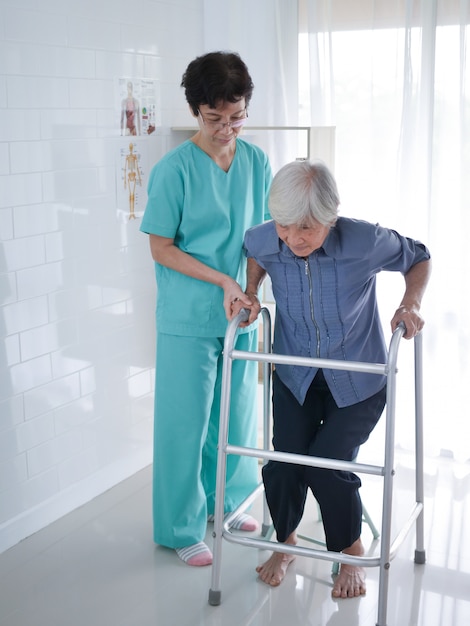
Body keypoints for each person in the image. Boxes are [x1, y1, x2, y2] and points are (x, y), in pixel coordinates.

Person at [232, 160, 431, 597]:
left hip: (357, 382)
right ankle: (286, 545)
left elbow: (418, 256)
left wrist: (410, 303)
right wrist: (250, 293)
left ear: (330, 217)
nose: (294, 238)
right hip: (295, 376)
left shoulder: (364, 240)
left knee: (327, 466)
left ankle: (350, 549)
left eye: (306, 228)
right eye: (285, 226)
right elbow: (256, 253)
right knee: (284, 462)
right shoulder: (266, 238)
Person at [140, 52, 272, 567]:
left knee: (236, 415)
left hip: (239, 311)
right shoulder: (173, 170)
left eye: (235, 117)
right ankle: (179, 526)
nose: (226, 128)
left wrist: (251, 289)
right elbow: (161, 247)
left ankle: (231, 500)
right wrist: (222, 280)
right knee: (184, 422)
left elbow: (262, 239)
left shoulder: (257, 162)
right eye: (215, 119)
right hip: (188, 315)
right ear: (197, 111)